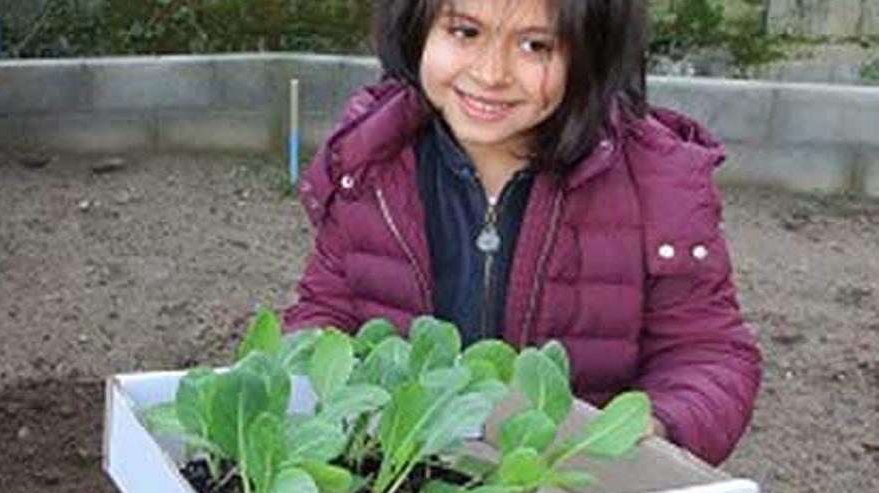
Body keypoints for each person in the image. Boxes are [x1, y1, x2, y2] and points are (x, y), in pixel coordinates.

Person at [283, 0, 761, 466]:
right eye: (465, 32)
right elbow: (326, 311)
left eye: (535, 45)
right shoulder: (370, 164)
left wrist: (652, 425)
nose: (492, 73)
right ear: (417, 26)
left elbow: (707, 352)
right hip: (400, 486)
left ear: (592, 51)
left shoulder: (655, 182)